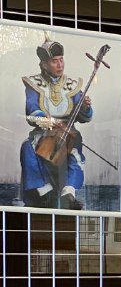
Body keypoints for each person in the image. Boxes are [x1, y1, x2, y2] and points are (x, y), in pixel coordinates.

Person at [21, 38, 93, 210]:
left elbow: (85, 117)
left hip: (68, 131)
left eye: (61, 60)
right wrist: (48, 121)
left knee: (75, 151)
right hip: (44, 131)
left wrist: (85, 107)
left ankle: (69, 191)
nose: (60, 65)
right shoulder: (33, 84)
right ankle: (42, 190)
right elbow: (32, 111)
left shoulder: (72, 85)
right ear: (44, 64)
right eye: (55, 61)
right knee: (27, 147)